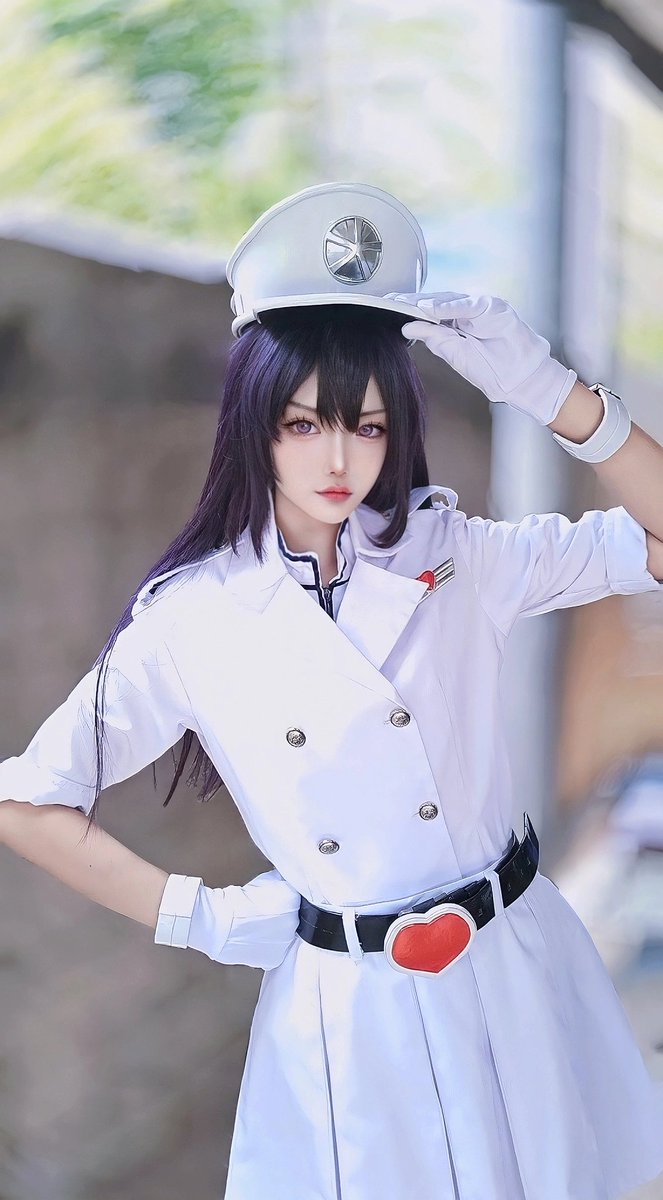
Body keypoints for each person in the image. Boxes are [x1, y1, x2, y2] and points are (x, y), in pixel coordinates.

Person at [1, 182, 663, 1200]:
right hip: (352, 1013)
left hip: (516, 965)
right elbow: (27, 801)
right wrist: (199, 916)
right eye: (304, 425)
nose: (340, 459)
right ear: (253, 424)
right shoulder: (194, 619)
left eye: (368, 425)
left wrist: (552, 394)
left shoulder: (459, 557)